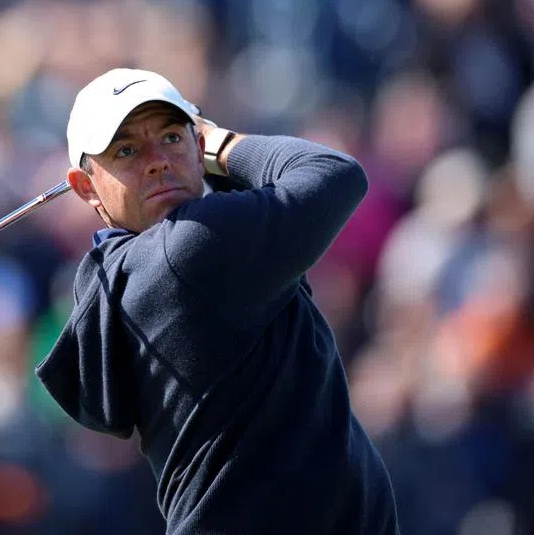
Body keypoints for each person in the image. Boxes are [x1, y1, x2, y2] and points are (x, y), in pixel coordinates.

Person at [36, 68, 399, 534]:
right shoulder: (191, 248)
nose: (157, 161)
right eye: (126, 150)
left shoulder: (120, 271)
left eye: (171, 137)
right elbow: (333, 174)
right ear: (85, 186)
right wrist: (220, 144)